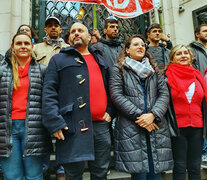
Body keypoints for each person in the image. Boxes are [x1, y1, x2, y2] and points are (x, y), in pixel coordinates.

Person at [42, 22, 114, 180]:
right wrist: (54, 121)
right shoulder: (58, 60)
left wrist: (109, 110)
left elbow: (109, 88)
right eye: (73, 31)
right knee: (73, 175)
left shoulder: (100, 60)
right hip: (73, 126)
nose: (76, 33)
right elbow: (49, 92)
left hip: (100, 126)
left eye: (80, 30)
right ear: (68, 38)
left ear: (89, 37)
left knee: (101, 173)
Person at [109, 35, 173, 180]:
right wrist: (141, 117)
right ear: (127, 49)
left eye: (143, 45)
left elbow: (164, 94)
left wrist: (153, 115)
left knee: (155, 171)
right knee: (139, 174)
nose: (140, 47)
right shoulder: (119, 68)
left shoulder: (154, 69)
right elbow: (116, 96)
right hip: (131, 126)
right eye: (136, 44)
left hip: (155, 125)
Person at [0, 32, 51, 180]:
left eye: (26, 43)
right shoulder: (2, 71)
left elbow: (49, 100)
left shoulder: (42, 70)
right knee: (12, 176)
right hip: (6, 130)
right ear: (12, 47)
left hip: (34, 128)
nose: (23, 46)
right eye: (19, 43)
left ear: (32, 46)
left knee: (34, 176)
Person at [33, 16, 69, 180]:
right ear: (45, 30)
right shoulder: (36, 48)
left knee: (63, 131)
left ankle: (61, 168)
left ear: (61, 29)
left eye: (56, 25)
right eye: (49, 26)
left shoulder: (69, 48)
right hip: (41, 95)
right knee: (42, 134)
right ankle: (43, 169)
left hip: (64, 95)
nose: (53, 28)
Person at [165, 44, 207, 180]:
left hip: (197, 127)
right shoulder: (166, 78)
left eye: (185, 53)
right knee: (180, 166)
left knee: (195, 167)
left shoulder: (198, 76)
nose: (183, 56)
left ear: (190, 56)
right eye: (178, 54)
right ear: (172, 59)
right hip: (177, 128)